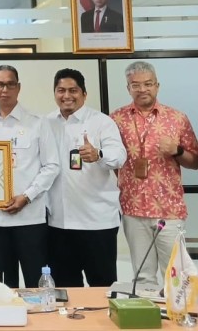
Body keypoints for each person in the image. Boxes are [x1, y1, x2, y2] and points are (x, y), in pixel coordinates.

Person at [110, 61, 198, 288]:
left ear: (157, 86)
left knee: (176, 275)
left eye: (148, 84)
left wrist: (177, 151)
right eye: (135, 85)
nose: (142, 89)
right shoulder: (116, 119)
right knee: (142, 277)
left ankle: (177, 310)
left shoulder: (177, 118)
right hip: (133, 209)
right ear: (128, 88)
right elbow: (113, 160)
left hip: (169, 210)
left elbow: (196, 162)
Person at [0, 65, 58, 287]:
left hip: (31, 218)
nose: (5, 90)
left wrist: (26, 197)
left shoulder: (37, 122)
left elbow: (52, 166)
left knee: (35, 281)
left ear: (18, 87)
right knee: (4, 283)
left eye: (10, 84)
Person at [45, 68, 126, 287]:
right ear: (55, 93)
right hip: (58, 223)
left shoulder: (101, 122)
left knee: (101, 288)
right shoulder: (46, 123)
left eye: (73, 90)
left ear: (84, 94)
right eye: (61, 90)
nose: (67, 95)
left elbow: (119, 156)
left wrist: (98, 154)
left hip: (97, 222)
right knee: (65, 289)